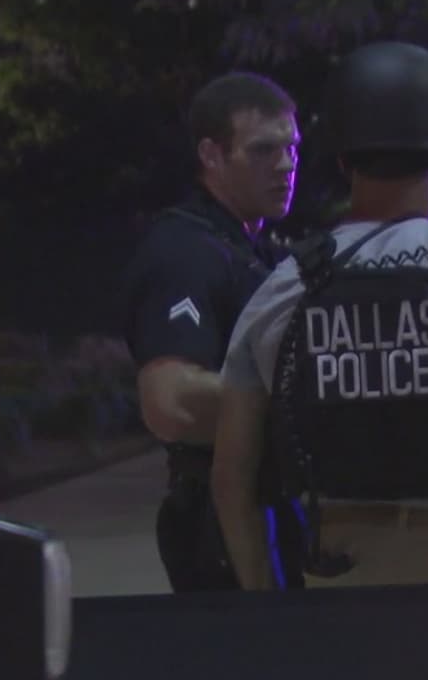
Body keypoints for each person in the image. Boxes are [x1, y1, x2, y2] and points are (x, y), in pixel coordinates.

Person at [211, 41, 428, 590]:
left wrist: (265, 600)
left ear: (341, 156)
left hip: (343, 594)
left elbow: (232, 478)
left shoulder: (282, 292)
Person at [123, 71, 303, 592]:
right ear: (211, 155)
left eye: (292, 148)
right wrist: (310, 402)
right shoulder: (185, 252)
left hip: (268, 505)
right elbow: (171, 403)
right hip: (221, 525)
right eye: (263, 150)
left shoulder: (253, 249)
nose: (286, 165)